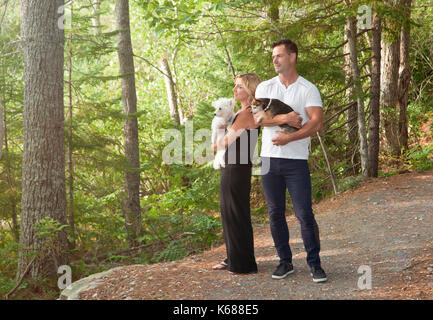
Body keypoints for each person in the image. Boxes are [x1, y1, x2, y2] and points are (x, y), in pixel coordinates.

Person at [254, 38, 327, 282]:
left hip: (296, 160)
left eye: (279, 55)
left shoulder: (308, 88)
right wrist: (283, 118)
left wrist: (290, 137)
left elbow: (316, 122)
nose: (274, 59)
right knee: (275, 213)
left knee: (304, 213)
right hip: (268, 159)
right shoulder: (265, 87)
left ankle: (315, 264)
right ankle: (285, 262)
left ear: (292, 57)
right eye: (273, 56)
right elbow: (255, 120)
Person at [211, 73, 261, 274]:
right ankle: (233, 257)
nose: (234, 90)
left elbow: (223, 143)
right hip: (234, 167)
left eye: (239, 87)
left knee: (236, 214)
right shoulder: (243, 113)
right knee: (231, 214)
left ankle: (242, 264)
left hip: (236, 169)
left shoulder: (246, 114)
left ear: (249, 90)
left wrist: (214, 143)